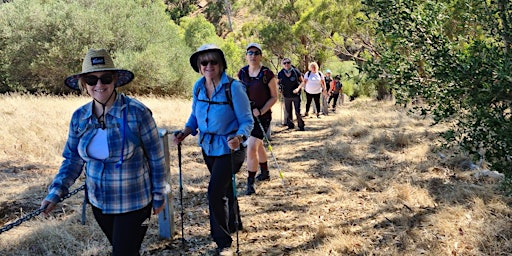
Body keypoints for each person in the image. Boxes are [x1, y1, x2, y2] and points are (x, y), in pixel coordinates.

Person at [40, 48, 167, 256]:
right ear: (84, 84)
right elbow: (72, 159)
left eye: (105, 78)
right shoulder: (79, 117)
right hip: (99, 203)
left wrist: (160, 194)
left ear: (115, 80)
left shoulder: (137, 112)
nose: (99, 85)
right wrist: (56, 192)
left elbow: (156, 157)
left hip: (133, 202)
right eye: (91, 80)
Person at [173, 44, 253, 255]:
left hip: (231, 148)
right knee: (225, 188)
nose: (209, 66)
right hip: (208, 146)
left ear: (221, 64)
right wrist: (187, 130)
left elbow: (247, 120)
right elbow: (195, 115)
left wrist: (239, 137)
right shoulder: (198, 87)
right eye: (204, 62)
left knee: (215, 191)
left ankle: (222, 240)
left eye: (213, 62)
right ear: (199, 67)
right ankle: (234, 223)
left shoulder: (234, 88)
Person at [237, 42, 278, 195]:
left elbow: (274, 97)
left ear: (261, 56)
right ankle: (265, 172)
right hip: (246, 117)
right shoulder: (242, 73)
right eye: (250, 53)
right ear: (246, 56)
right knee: (258, 146)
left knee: (252, 147)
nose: (253, 56)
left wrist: (261, 110)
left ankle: (250, 183)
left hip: (263, 117)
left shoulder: (267, 74)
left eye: (256, 53)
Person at [277, 57, 305, 131]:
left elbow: (302, 82)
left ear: (290, 63)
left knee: (297, 111)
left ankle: (301, 126)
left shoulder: (296, 71)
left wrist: (298, 89)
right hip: (286, 95)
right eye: (284, 63)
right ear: (282, 64)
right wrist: (279, 88)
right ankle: (290, 125)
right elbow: (277, 83)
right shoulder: (280, 73)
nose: (286, 64)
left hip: (296, 95)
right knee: (288, 112)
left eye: (288, 62)